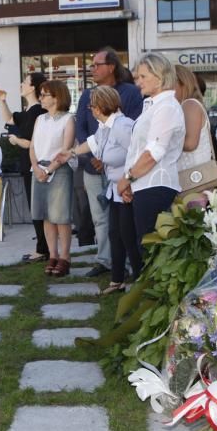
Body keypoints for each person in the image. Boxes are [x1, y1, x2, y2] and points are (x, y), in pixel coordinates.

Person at [60, 86, 137, 295]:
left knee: (128, 237)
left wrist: (128, 181)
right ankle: (117, 280)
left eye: (92, 105)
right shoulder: (105, 126)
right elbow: (92, 144)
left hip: (127, 189)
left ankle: (138, 281)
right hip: (115, 190)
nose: (90, 110)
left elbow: (136, 154)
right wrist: (70, 153)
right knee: (115, 234)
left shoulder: (122, 126)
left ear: (101, 106)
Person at [75, 47, 144, 278]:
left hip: (125, 174)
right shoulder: (87, 95)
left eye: (97, 65)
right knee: (102, 221)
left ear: (111, 66)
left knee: (126, 228)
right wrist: (92, 157)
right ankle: (107, 262)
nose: (92, 69)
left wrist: (122, 170)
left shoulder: (131, 94)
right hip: (94, 167)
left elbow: (135, 138)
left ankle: (130, 269)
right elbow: (84, 130)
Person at [117, 53, 186, 251]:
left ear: (160, 76)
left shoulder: (167, 107)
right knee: (134, 243)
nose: (138, 82)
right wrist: (131, 182)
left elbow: (153, 152)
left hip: (156, 184)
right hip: (142, 184)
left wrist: (127, 178)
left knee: (148, 249)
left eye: (143, 77)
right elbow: (137, 150)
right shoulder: (153, 105)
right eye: (137, 77)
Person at [0, 72, 49, 262]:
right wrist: (2, 101)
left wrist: (15, 140)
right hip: (29, 165)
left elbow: (30, 143)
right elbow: (10, 119)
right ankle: (43, 247)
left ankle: (42, 249)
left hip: (34, 165)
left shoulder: (37, 112)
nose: (21, 84)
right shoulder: (29, 112)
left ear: (33, 87)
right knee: (36, 209)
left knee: (38, 209)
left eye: (25, 82)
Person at [30, 80, 75, 277]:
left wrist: (48, 170)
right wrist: (35, 167)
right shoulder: (40, 119)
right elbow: (32, 146)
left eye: (44, 94)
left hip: (59, 170)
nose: (41, 98)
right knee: (46, 215)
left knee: (61, 216)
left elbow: (66, 150)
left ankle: (65, 257)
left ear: (57, 97)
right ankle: (53, 255)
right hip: (38, 169)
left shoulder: (68, 119)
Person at [173, 65, 214, 189]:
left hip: (194, 178)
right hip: (192, 177)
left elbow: (190, 144)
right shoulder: (185, 106)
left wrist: (163, 142)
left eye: (170, 83)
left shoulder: (189, 105)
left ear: (183, 83)